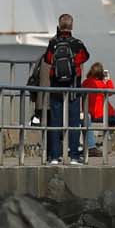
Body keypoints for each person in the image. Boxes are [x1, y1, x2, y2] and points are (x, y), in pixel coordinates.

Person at [39, 11, 89, 162]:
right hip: (73, 88)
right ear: (71, 26)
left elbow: (47, 59)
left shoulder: (53, 43)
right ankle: (74, 156)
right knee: (74, 122)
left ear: (59, 26)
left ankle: (54, 156)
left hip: (56, 88)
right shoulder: (77, 43)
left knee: (55, 122)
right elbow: (85, 56)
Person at [82, 61, 115, 160]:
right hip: (102, 114)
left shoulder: (86, 82)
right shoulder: (100, 84)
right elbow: (111, 91)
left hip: (90, 113)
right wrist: (108, 80)